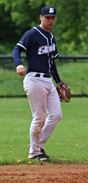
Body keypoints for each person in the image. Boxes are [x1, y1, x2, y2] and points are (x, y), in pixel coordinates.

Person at [12, 5, 66, 161]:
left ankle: (36, 145)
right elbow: (16, 50)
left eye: (52, 18)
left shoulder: (51, 37)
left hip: (48, 80)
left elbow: (52, 62)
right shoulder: (32, 34)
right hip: (34, 80)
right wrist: (18, 64)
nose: (50, 20)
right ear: (41, 18)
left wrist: (59, 81)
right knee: (39, 117)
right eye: (47, 17)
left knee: (56, 115)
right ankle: (35, 152)